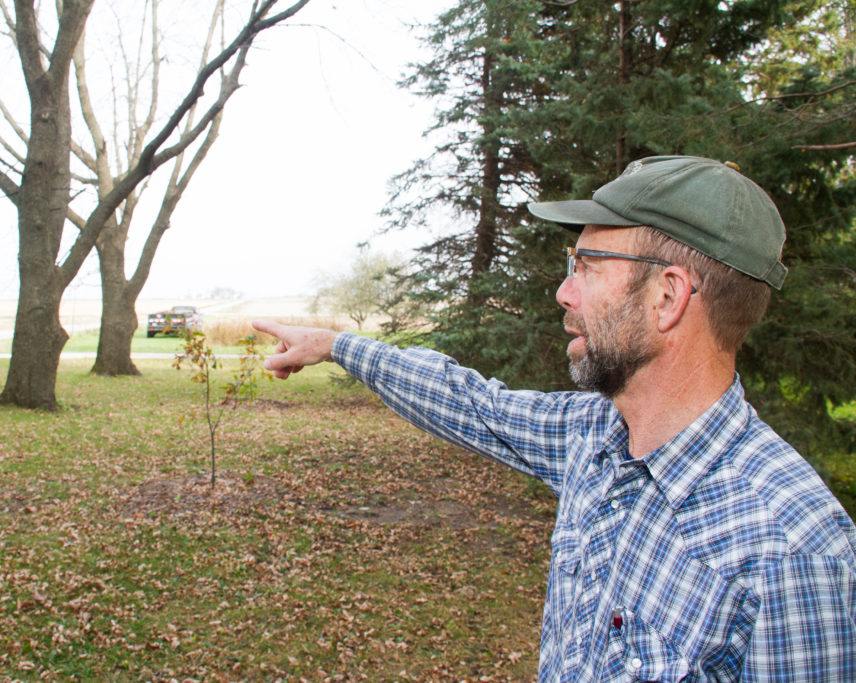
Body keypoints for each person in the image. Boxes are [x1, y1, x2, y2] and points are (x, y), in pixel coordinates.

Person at [253, 156, 856, 681]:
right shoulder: (591, 435)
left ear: (667, 297)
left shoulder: (794, 553)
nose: (564, 293)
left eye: (587, 265)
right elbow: (468, 403)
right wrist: (333, 344)